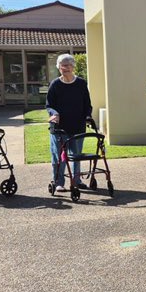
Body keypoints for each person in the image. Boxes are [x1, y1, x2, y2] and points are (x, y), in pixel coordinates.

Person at [46, 53, 92, 192]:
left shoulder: (81, 83)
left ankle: (76, 181)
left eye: (68, 65)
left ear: (73, 67)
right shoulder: (55, 84)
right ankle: (59, 182)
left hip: (77, 127)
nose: (65, 68)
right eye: (62, 66)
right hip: (59, 129)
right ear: (58, 67)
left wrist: (88, 116)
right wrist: (54, 114)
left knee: (76, 156)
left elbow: (87, 105)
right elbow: (49, 105)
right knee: (59, 157)